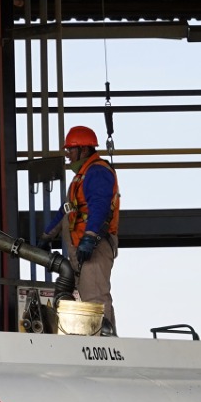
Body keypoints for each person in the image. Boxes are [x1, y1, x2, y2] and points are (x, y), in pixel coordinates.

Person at [42, 125, 120, 335]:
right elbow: (66, 210)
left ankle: (106, 340)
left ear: (84, 150)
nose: (67, 154)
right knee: (85, 296)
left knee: (95, 295)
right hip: (80, 248)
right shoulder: (80, 178)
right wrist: (47, 235)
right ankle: (91, 337)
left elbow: (100, 207)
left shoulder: (98, 172)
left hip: (94, 247)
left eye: (71, 149)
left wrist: (90, 237)